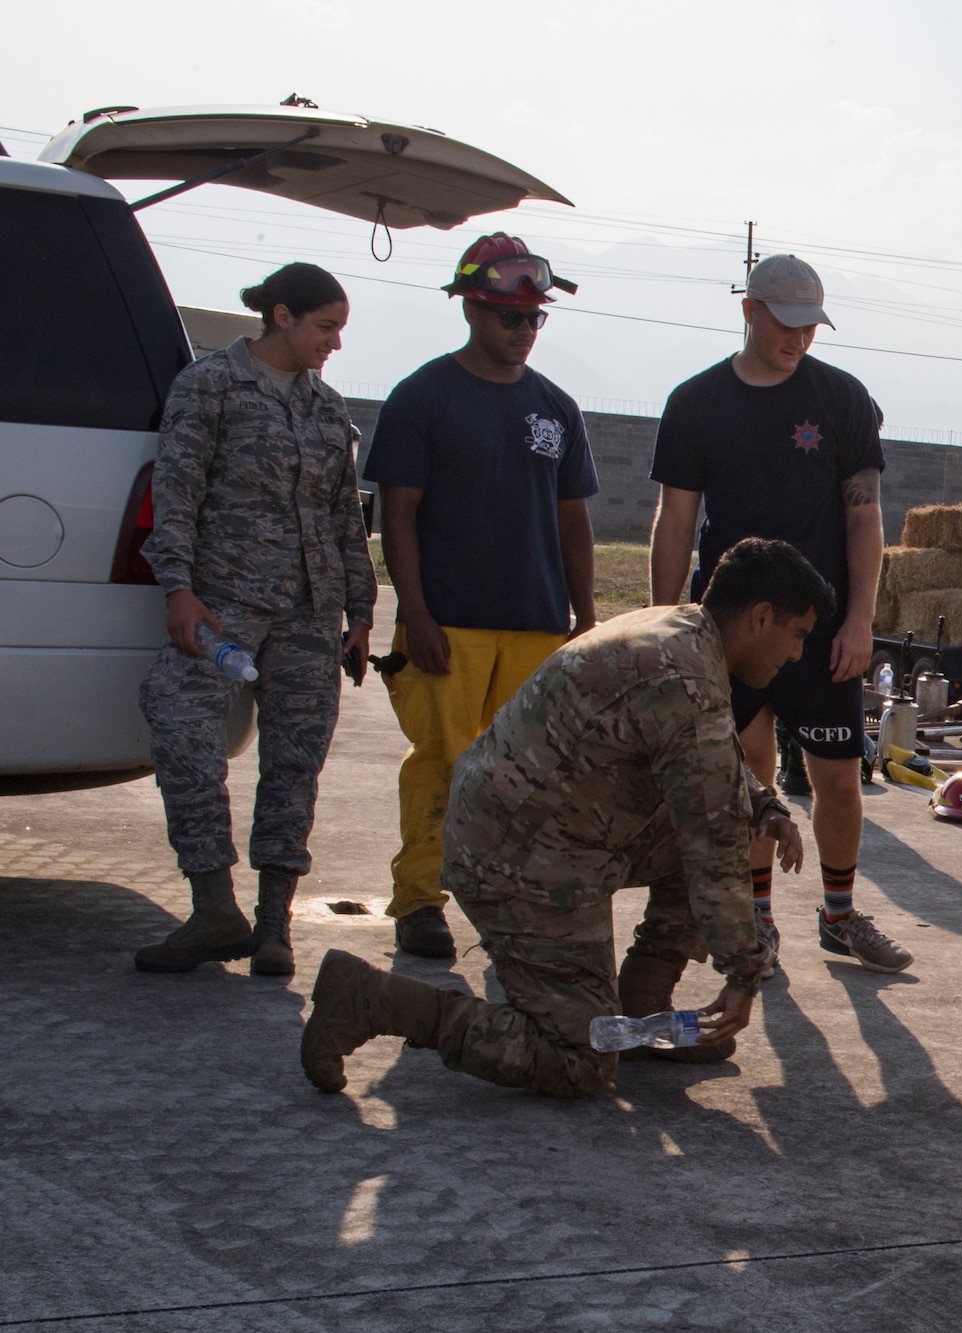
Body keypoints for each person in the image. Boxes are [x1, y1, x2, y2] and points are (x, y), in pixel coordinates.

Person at [299, 538, 827, 1100]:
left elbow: (706, 762)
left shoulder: (678, 632)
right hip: (517, 859)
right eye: (797, 635)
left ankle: (642, 1012)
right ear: (761, 617)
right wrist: (744, 973)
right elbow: (713, 845)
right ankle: (374, 1000)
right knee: (576, 1061)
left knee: (727, 817)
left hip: (537, 831)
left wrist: (763, 804)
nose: (796, 655)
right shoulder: (687, 680)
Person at [648, 253, 909, 975]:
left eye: (810, 328)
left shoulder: (842, 400)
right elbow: (675, 520)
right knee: (750, 772)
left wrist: (860, 619)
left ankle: (840, 913)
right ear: (749, 312)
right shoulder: (696, 402)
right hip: (730, 630)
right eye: (786, 325)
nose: (799, 340)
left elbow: (865, 516)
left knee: (838, 778)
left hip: (819, 627)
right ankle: (758, 917)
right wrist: (663, 622)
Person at [134, 263, 375, 979]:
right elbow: (175, 491)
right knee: (180, 728)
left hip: (309, 610)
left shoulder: (329, 410)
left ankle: (274, 927)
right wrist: (176, 588)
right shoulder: (209, 387)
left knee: (295, 763)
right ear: (281, 316)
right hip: (223, 602)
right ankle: (214, 905)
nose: (333, 343)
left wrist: (360, 613)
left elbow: (345, 520)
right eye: (325, 327)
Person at [363, 234, 599, 961]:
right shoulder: (423, 397)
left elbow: (572, 518)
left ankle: (512, 906)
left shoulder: (556, 408)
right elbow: (397, 512)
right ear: (470, 309)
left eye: (535, 319)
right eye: (510, 318)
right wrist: (419, 613)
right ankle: (419, 902)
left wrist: (586, 619)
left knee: (528, 775)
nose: (524, 331)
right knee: (441, 763)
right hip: (449, 625)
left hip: (535, 623)